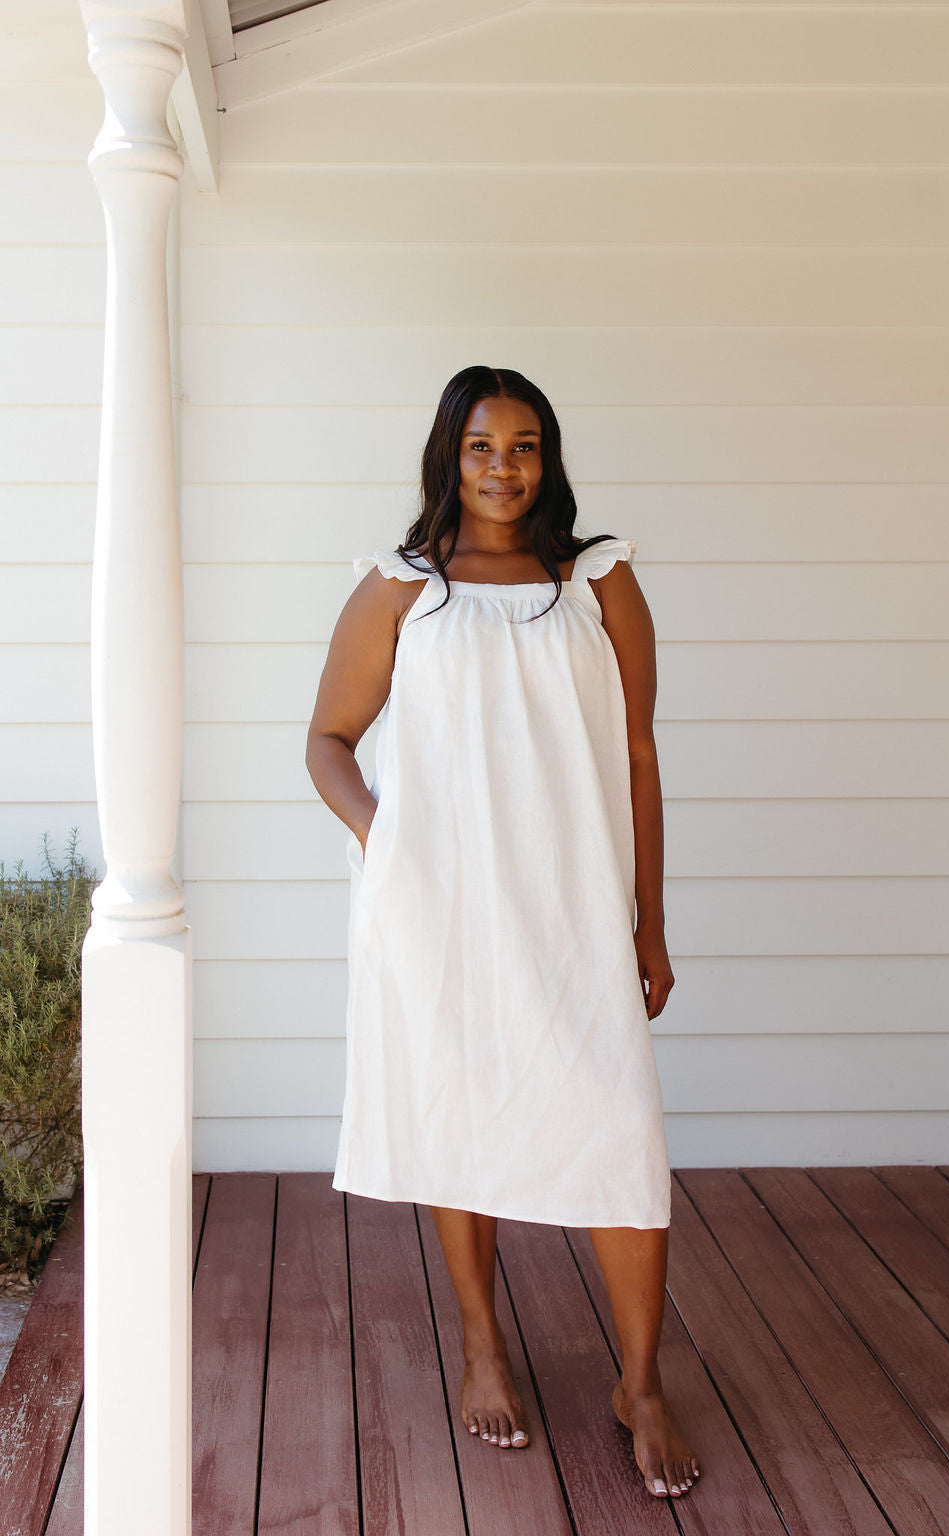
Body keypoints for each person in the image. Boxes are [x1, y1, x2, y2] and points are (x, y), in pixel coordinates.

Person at [306, 365, 701, 1500]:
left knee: (617, 1132)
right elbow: (328, 741)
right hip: (440, 915)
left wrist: (651, 923)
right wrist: (395, 842)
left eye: (524, 446)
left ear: (549, 457)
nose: (503, 468)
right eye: (481, 447)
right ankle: (483, 1348)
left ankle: (639, 1381)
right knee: (460, 1116)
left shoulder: (596, 580)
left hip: (572, 905)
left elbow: (636, 756)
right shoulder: (402, 589)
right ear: (450, 455)